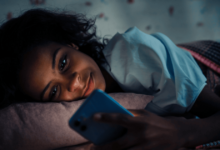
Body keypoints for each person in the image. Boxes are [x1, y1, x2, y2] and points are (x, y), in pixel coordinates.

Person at [0, 8, 220, 150]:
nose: (74, 82)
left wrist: (182, 133)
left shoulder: (130, 52)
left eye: (63, 63)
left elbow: (213, 110)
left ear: (71, 44)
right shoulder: (98, 111)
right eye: (54, 91)